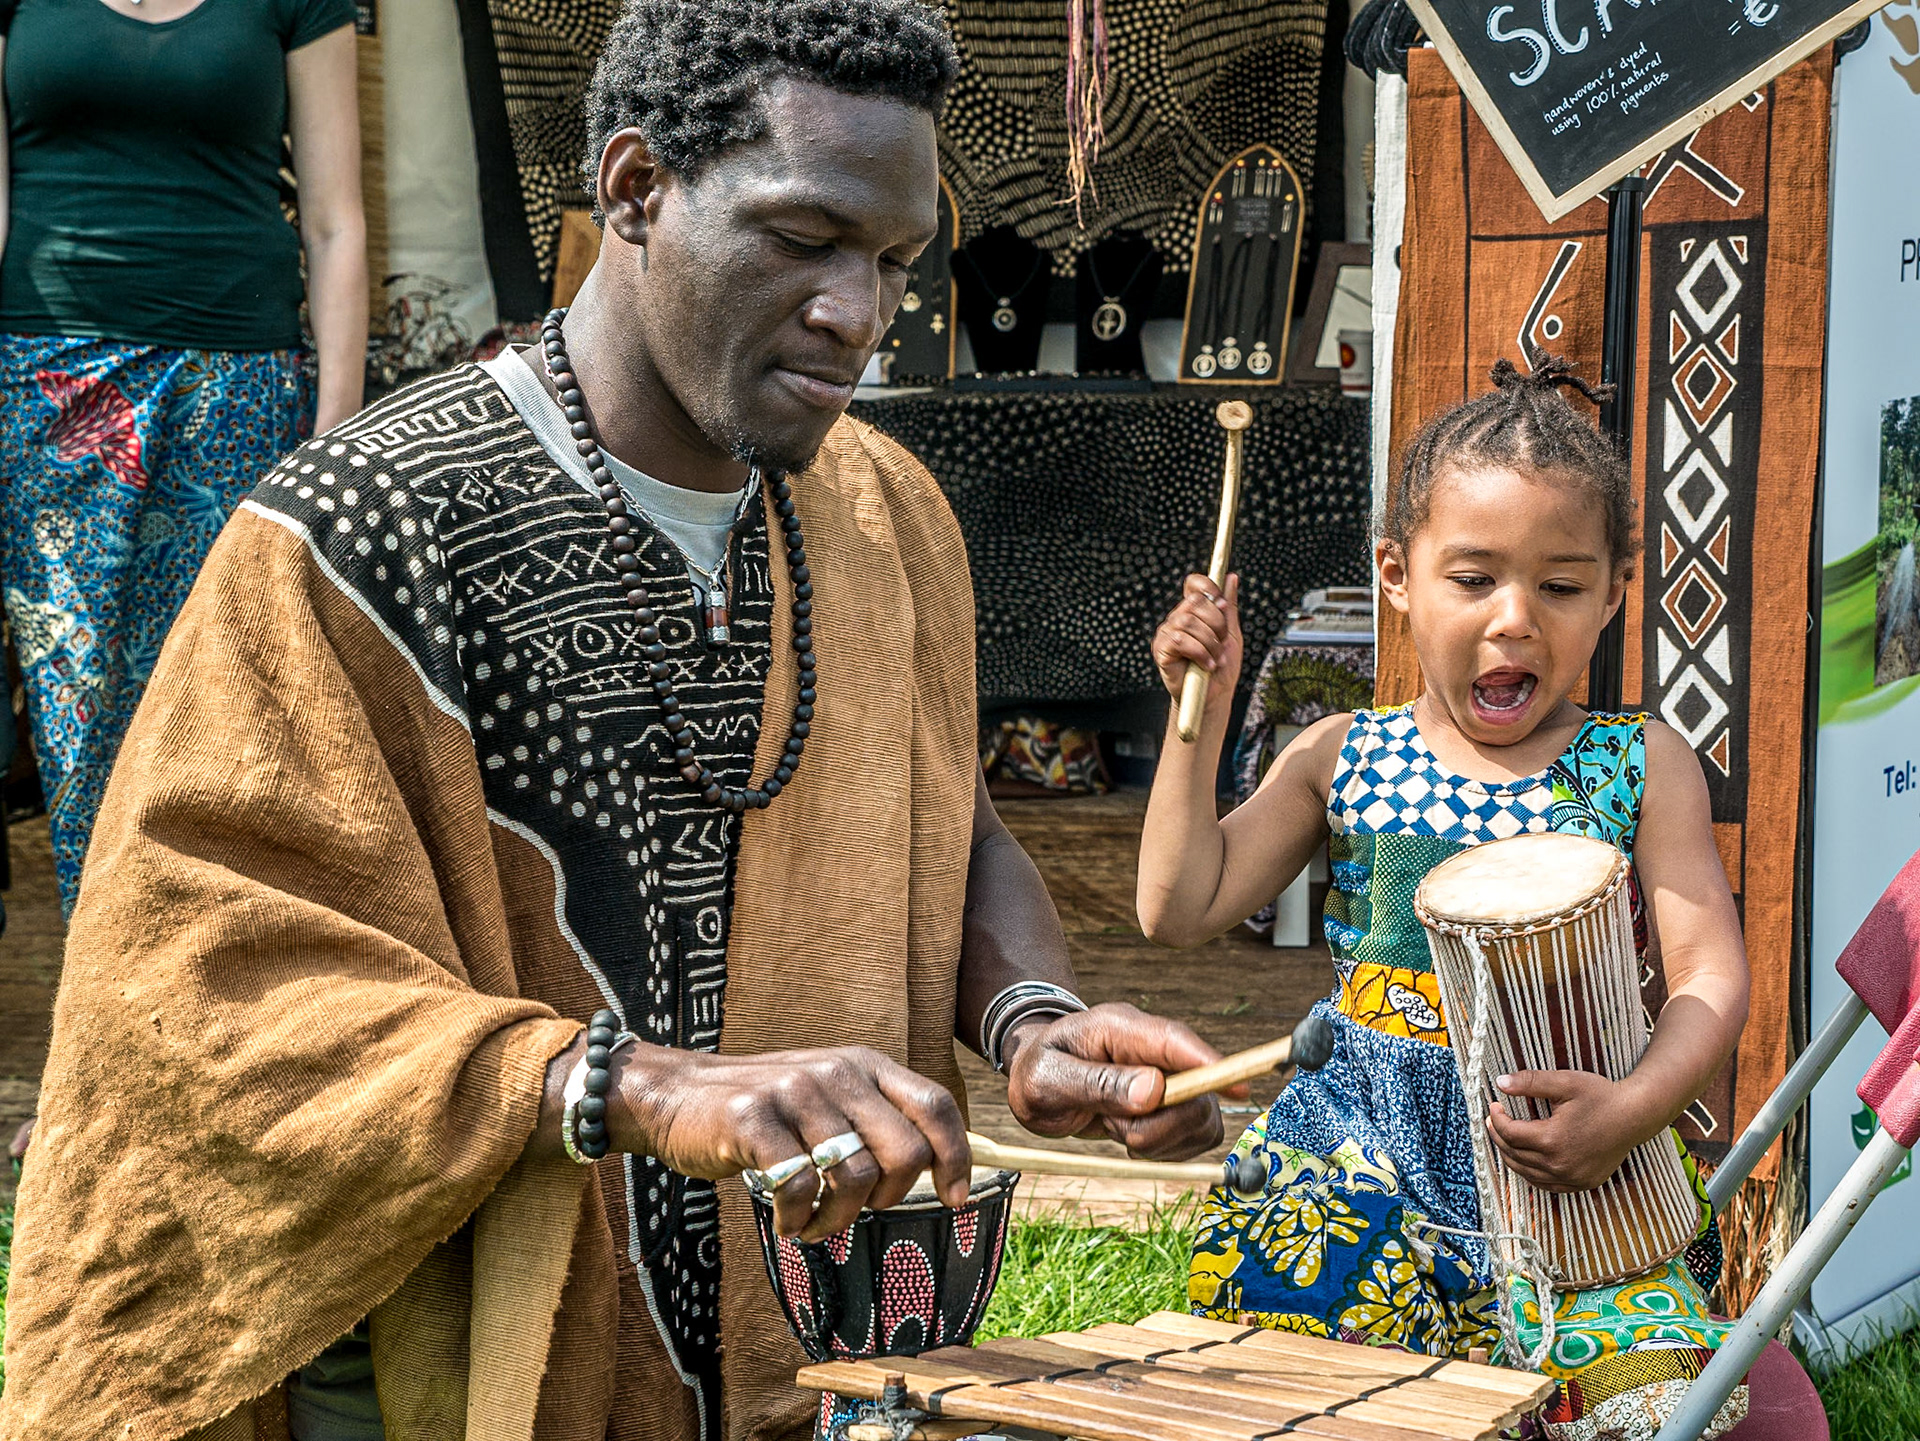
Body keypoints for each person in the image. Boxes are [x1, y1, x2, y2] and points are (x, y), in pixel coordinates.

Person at [0, 4, 1229, 1439]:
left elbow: (939, 821)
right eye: (802, 238)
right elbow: (194, 996)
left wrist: (1032, 1020)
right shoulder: (355, 533)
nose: (858, 313)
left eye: (894, 262)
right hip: (443, 1370)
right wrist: (630, 1084)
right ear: (636, 188)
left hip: (807, 1365)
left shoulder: (888, 513)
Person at [1138, 358, 1757, 1438]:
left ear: (1616, 587)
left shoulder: (1642, 764)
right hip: (1358, 1154)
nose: (1514, 621)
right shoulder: (1343, 753)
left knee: (1661, 1407)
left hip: (1575, 1155)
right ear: (1397, 573)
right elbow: (1178, 907)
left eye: (1561, 586)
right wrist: (1203, 709)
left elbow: (1710, 975)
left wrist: (1630, 1111)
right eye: (1473, 579)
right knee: (1310, 1390)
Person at [0, 0, 367, 914]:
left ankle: (207, 983)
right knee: (75, 697)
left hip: (236, 385)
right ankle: (113, 974)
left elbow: (333, 220)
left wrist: (336, 436)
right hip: (43, 384)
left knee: (218, 701)